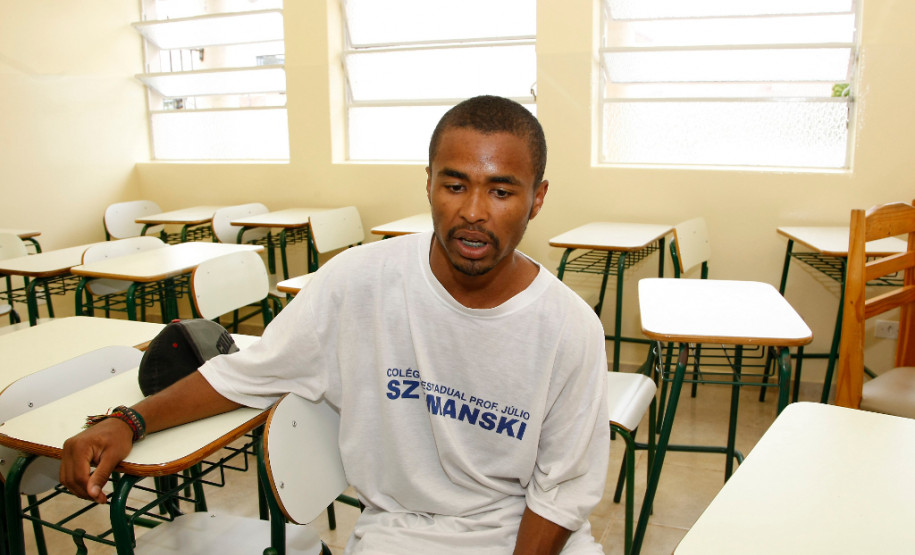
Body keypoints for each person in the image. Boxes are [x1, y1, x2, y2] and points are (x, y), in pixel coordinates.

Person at [60, 95, 610, 554]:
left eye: (501, 190)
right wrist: (129, 421)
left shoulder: (568, 327)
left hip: (531, 534)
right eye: (455, 184)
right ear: (427, 184)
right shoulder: (358, 283)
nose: (473, 211)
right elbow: (249, 372)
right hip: (403, 532)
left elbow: (562, 492)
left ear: (536, 198)